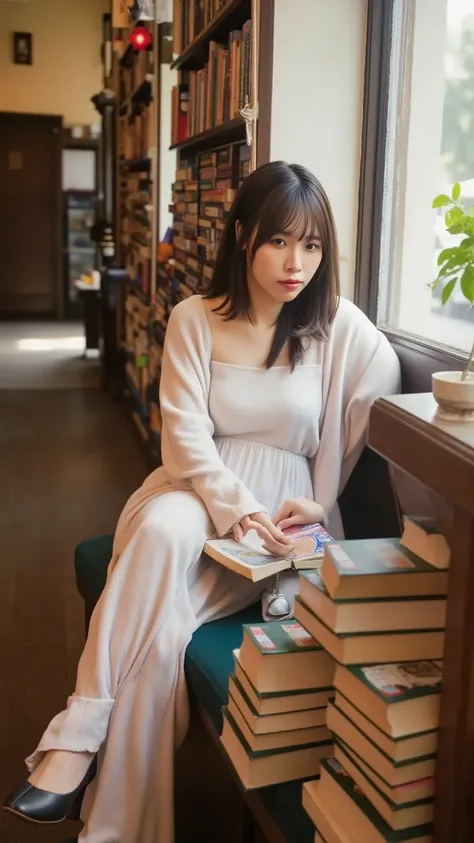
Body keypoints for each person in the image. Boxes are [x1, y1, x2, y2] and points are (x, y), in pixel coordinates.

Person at [4, 161, 401, 841]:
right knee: (160, 530)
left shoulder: (332, 327)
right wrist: (236, 506)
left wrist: (321, 496)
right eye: (280, 240)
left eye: (312, 245)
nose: (296, 262)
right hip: (198, 485)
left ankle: (100, 804)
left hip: (279, 521)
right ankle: (83, 724)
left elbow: (380, 383)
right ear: (243, 234)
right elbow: (183, 436)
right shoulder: (195, 318)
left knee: (161, 638)